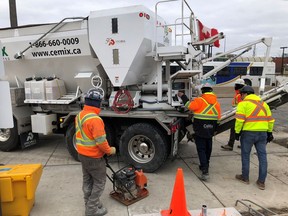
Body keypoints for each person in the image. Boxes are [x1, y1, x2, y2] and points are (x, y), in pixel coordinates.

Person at [75, 89, 116, 216]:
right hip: (94, 157)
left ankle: (88, 203)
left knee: (87, 180)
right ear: (98, 104)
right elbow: (101, 142)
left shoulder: (80, 115)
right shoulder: (95, 119)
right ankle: (92, 209)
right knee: (99, 182)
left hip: (82, 155)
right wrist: (110, 151)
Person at [178, 83, 221, 181]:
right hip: (211, 128)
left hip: (200, 127)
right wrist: (215, 129)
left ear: (203, 91)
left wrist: (182, 96)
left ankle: (205, 171)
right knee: (208, 147)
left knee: (201, 148)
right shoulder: (216, 103)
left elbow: (189, 106)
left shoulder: (200, 100)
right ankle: (205, 165)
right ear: (211, 91)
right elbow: (218, 119)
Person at [234, 86, 274, 190]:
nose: (241, 96)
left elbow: (239, 120)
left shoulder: (243, 104)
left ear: (245, 94)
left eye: (241, 94)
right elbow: (270, 120)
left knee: (246, 155)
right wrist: (269, 132)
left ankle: (245, 177)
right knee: (262, 157)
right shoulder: (264, 104)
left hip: (248, 133)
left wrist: (237, 132)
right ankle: (261, 182)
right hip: (263, 133)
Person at [221, 78, 245, 151]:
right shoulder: (238, 94)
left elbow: (241, 106)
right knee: (241, 130)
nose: (235, 86)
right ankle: (243, 144)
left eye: (237, 85)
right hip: (237, 114)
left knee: (234, 129)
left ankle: (230, 145)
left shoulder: (239, 95)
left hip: (238, 115)